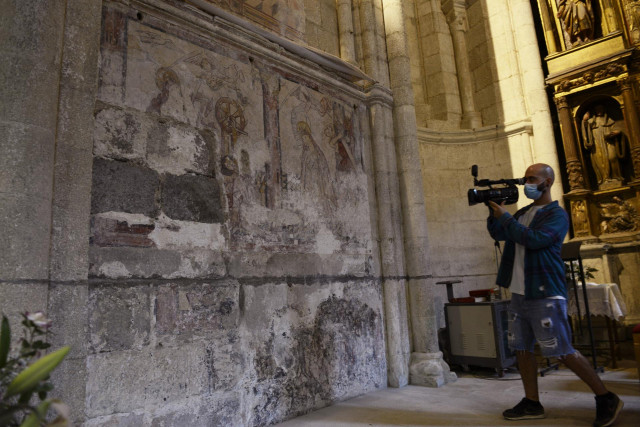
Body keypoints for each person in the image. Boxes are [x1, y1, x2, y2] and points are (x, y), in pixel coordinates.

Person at [487, 163, 623, 427]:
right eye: (525, 179)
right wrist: (494, 212)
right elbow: (500, 232)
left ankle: (606, 397)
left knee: (561, 351)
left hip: (545, 292)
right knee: (522, 348)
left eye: (531, 179)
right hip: (519, 292)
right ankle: (532, 402)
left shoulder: (557, 215)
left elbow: (535, 239)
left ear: (547, 182)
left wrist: (505, 217)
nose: (526, 183)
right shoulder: (524, 212)